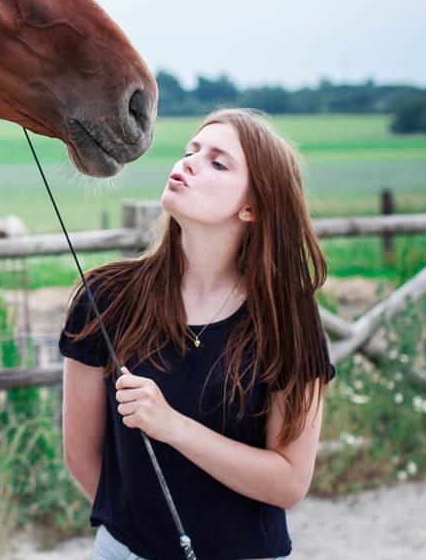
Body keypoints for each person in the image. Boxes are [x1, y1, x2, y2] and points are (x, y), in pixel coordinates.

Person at [60, 108, 335, 560]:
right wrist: (140, 540)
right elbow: (81, 457)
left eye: (217, 162)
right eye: (191, 150)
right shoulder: (104, 297)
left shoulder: (289, 321)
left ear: (252, 206)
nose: (186, 162)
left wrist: (172, 427)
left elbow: (289, 481)